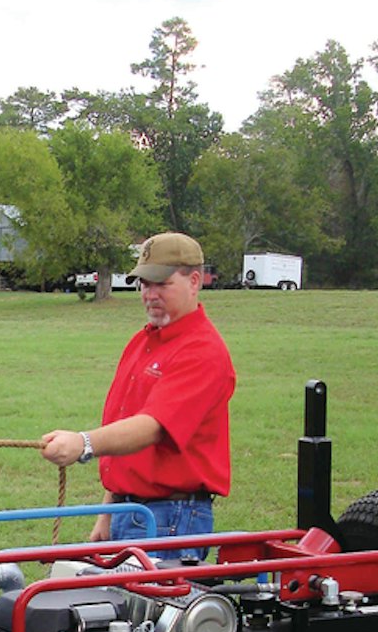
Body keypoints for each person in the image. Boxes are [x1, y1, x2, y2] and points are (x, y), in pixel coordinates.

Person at [40, 231, 235, 557]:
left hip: (172, 518)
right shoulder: (142, 342)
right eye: (144, 284)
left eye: (161, 284)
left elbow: (152, 427)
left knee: (151, 607)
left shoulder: (202, 351)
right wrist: (108, 511)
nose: (150, 294)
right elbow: (127, 429)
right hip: (130, 511)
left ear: (195, 281)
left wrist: (83, 443)